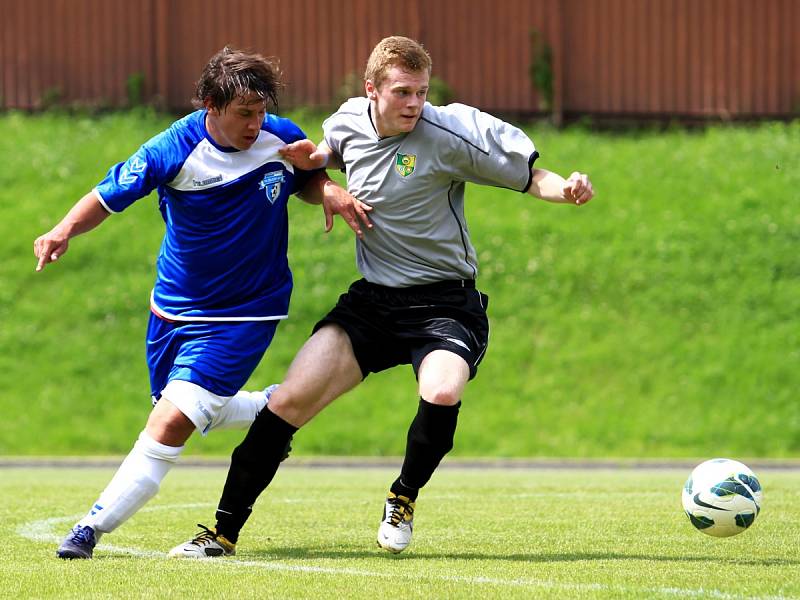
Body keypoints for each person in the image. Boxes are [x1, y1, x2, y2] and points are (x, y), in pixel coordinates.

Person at [169, 35, 594, 558]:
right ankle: (221, 533)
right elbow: (328, 154)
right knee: (285, 403)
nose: (414, 103)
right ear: (372, 90)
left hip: (445, 304)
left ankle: (403, 497)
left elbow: (531, 177)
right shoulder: (348, 120)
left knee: (440, 393)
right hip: (373, 304)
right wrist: (317, 161)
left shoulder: (452, 130)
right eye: (402, 93)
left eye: (421, 92)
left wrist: (566, 189)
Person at [34, 47, 367, 560]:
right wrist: (62, 231)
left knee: (169, 424)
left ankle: (88, 529)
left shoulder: (279, 133)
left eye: (260, 112)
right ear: (211, 104)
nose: (256, 125)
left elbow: (303, 176)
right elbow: (106, 195)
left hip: (247, 311)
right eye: (244, 114)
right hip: (173, 310)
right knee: (175, 410)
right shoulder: (174, 147)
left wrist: (326, 190)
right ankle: (273, 407)